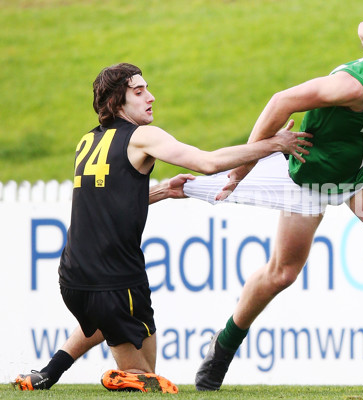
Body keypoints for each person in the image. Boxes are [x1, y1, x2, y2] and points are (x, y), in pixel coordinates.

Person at [185, 15, 363, 391]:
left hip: (361, 177)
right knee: (282, 273)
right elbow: (280, 101)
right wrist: (243, 165)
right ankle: (223, 348)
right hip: (312, 181)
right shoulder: (350, 89)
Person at [13, 63, 312, 393]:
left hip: (73, 276)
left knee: (106, 319)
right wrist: (274, 144)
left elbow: (108, 201)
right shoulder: (142, 136)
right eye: (139, 93)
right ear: (117, 104)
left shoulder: (88, 141)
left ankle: (49, 372)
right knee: (150, 384)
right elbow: (208, 162)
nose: (151, 98)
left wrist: (162, 191)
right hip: (116, 278)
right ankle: (130, 377)